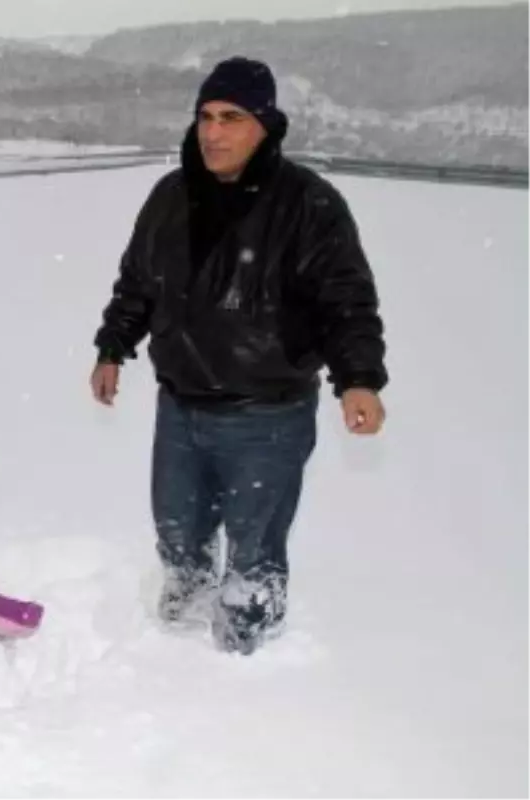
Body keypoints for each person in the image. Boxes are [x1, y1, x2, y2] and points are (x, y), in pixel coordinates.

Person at [90, 56, 388, 655]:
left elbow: (346, 300)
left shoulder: (308, 204)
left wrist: (358, 379)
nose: (213, 132)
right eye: (205, 116)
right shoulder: (172, 196)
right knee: (178, 536)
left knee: (253, 554)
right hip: (180, 408)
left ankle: (243, 673)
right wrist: (113, 345)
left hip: (267, 418)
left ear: (265, 127)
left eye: (231, 117)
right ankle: (172, 648)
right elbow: (138, 282)